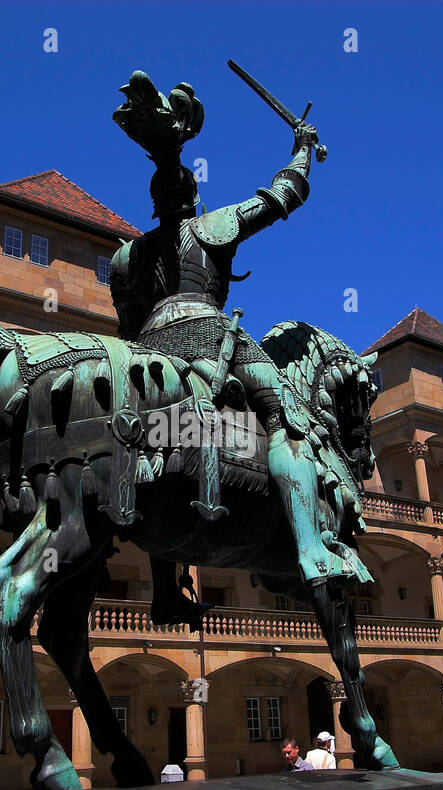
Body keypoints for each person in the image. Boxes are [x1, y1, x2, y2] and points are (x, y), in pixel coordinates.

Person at [109, 71, 372, 592]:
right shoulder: (213, 227)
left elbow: (127, 326)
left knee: (148, 435)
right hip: (209, 336)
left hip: (145, 349)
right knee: (288, 419)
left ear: (155, 199)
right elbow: (285, 195)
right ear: (192, 196)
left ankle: (167, 586)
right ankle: (311, 546)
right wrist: (302, 148)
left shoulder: (125, 257)